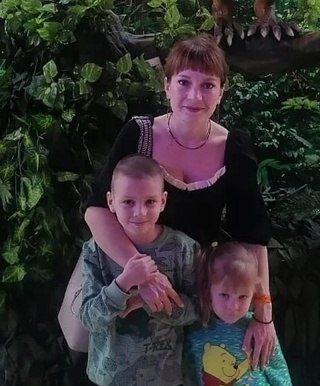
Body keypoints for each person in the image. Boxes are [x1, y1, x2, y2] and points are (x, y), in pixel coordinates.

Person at [84, 33, 274, 367]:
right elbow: (98, 211)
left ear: (222, 91)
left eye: (208, 85)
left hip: (188, 282)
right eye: (184, 82)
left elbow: (251, 236)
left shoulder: (234, 148)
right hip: (121, 263)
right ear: (167, 85)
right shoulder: (138, 135)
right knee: (83, 337)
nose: (194, 96)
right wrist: (144, 274)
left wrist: (264, 313)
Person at [79, 154, 200, 386]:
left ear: (163, 201)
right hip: (110, 381)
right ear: (111, 202)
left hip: (168, 380)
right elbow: (88, 319)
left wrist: (147, 301)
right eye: (128, 202)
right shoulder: (95, 250)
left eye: (150, 201)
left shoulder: (183, 249)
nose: (140, 212)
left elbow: (196, 311)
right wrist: (123, 283)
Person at [185, 242, 295, 386]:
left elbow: (282, 382)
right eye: (224, 295)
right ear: (208, 290)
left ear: (253, 294)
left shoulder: (259, 332)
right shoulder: (195, 330)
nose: (233, 307)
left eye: (243, 297)